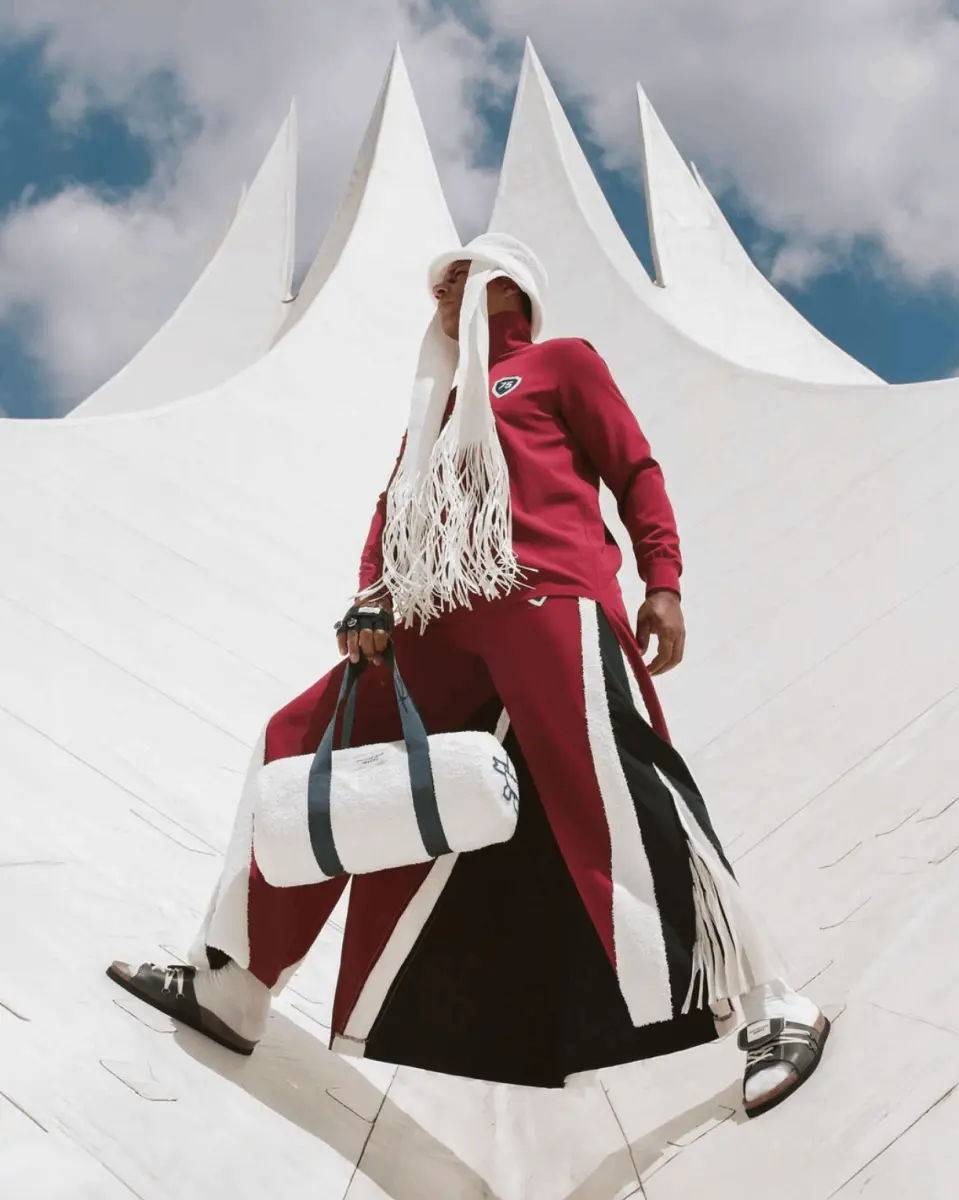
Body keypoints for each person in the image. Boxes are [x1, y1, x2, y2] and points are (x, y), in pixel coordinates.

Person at [107, 232, 829, 1118]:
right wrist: (370, 599)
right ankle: (234, 989)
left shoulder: (561, 364)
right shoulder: (436, 411)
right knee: (301, 741)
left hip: (545, 596)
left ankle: (774, 1002)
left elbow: (634, 467)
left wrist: (663, 580)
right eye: (438, 284)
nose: (442, 295)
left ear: (507, 286)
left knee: (618, 791)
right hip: (430, 622)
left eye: (460, 277)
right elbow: (393, 513)